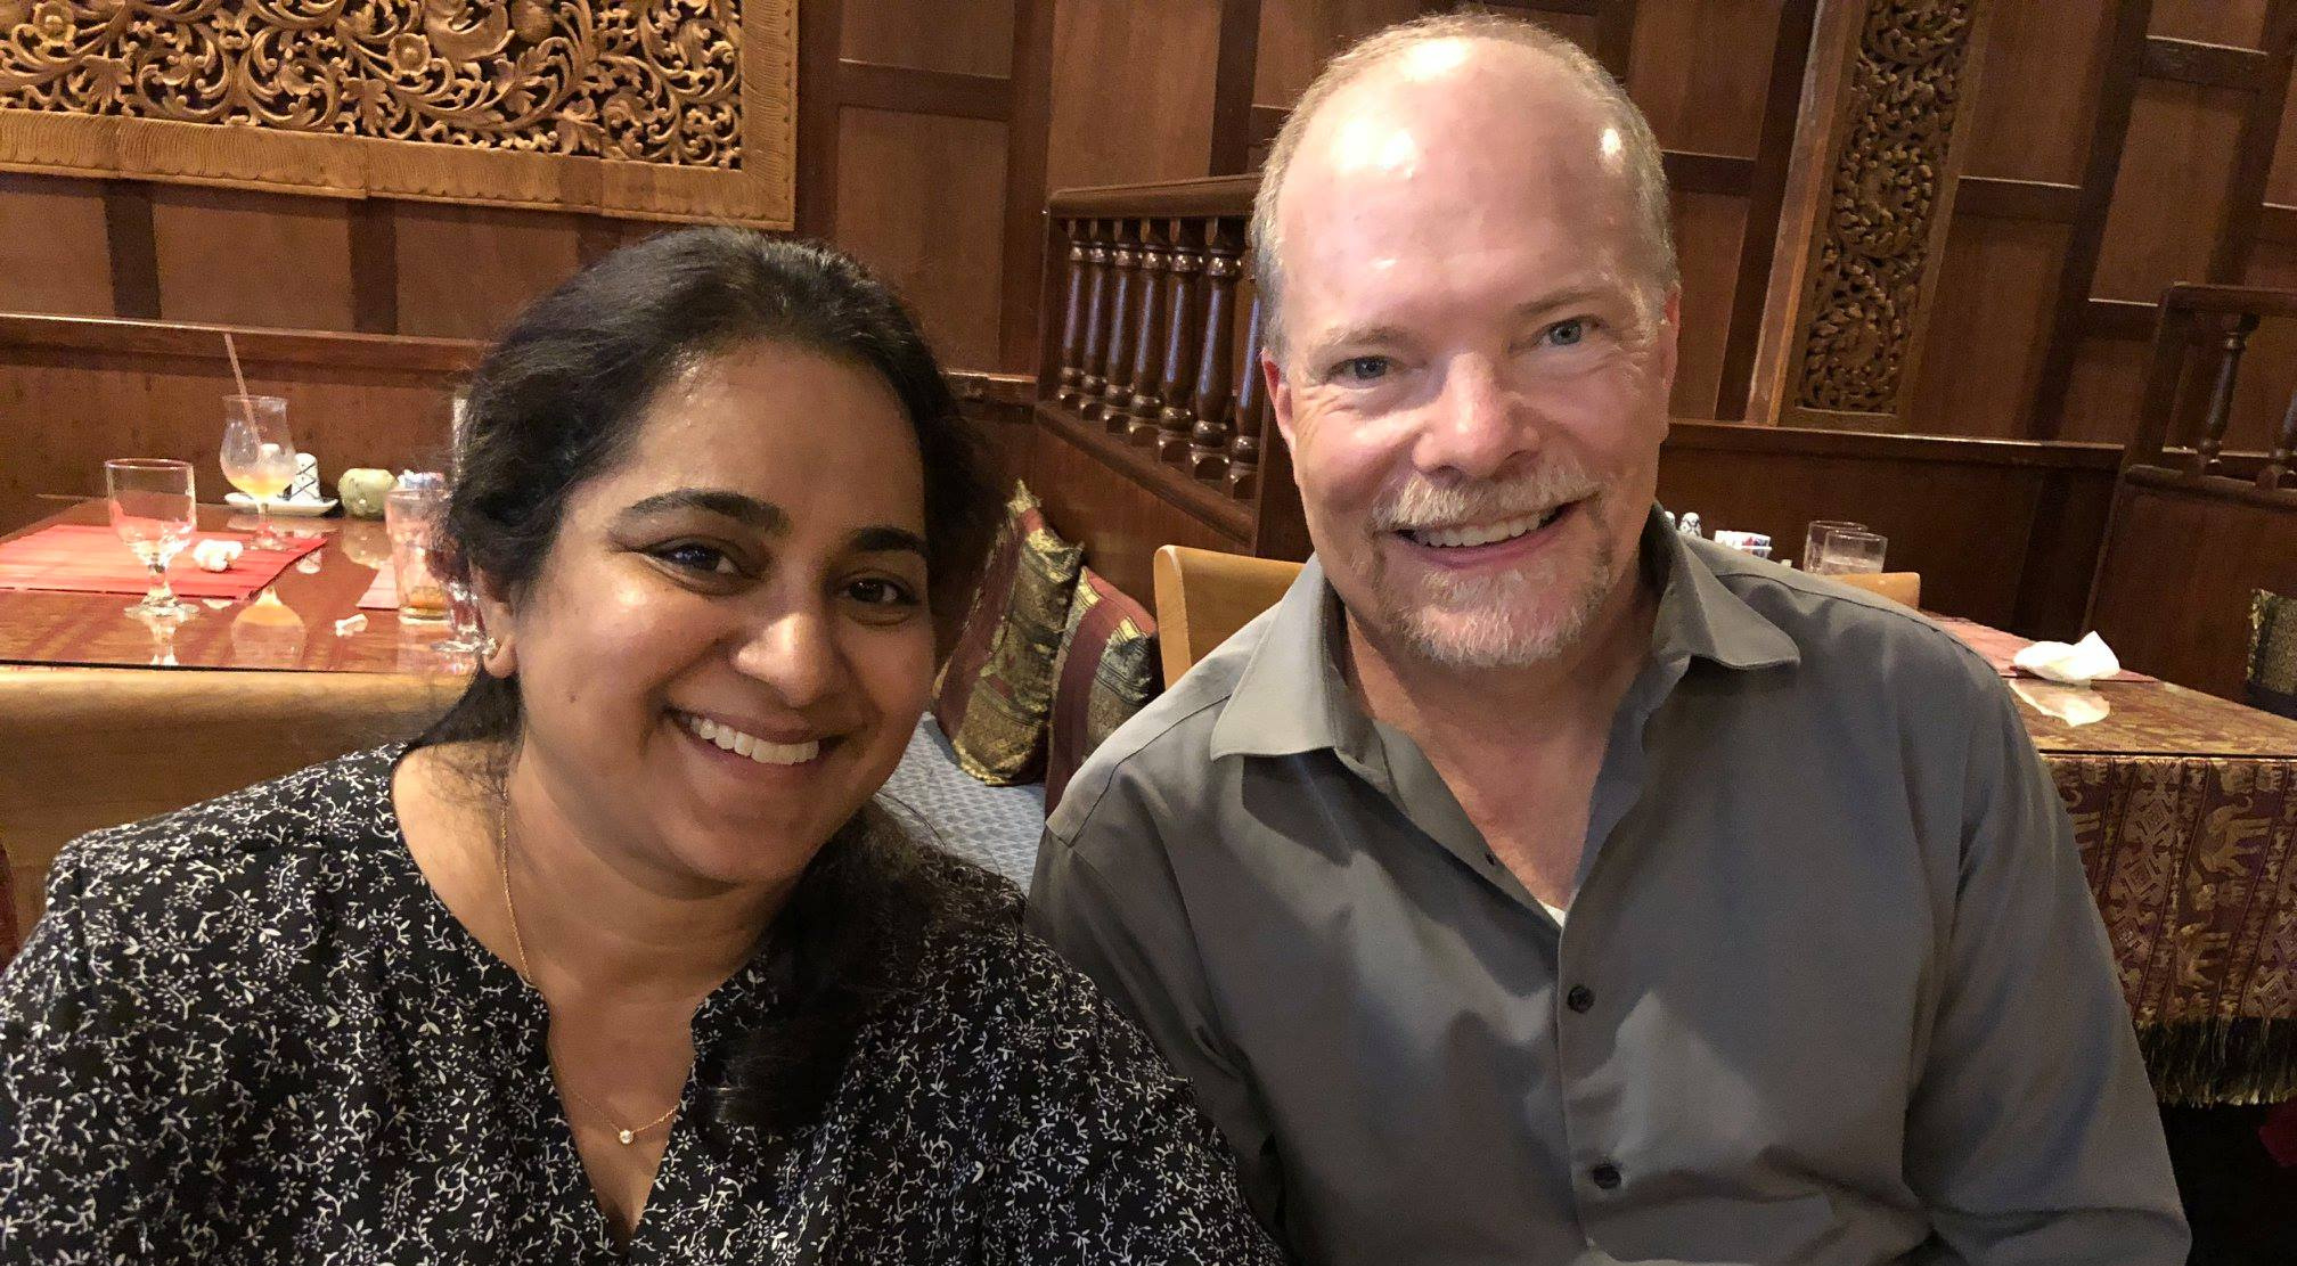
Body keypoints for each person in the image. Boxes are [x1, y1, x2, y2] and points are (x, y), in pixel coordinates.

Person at [1029, 15, 2187, 1265]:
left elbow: (2068, 1227)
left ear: (1665, 344)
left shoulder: (1926, 728)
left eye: (1561, 332)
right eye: (1371, 361)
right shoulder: (1144, 850)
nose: (1474, 438)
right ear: (1285, 405)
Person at [0, 230, 1282, 1263]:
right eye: (699, 555)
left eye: (875, 588)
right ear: (496, 585)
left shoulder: (991, 1018)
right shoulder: (173, 954)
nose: (799, 661)